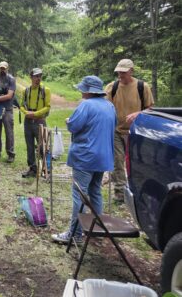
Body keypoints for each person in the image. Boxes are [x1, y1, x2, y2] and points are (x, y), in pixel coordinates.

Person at [52, 76, 116, 244]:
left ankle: (75, 234)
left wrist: (68, 121)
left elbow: (73, 126)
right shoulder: (110, 106)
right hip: (103, 157)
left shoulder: (86, 105)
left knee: (79, 194)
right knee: (95, 191)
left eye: (82, 89)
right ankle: (97, 230)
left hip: (85, 157)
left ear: (89, 91)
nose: (80, 92)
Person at [105, 59, 154, 203]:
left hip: (136, 132)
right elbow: (104, 106)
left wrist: (138, 114)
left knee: (135, 162)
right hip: (116, 131)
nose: (120, 75)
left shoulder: (142, 87)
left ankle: (138, 193)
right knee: (118, 162)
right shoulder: (112, 87)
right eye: (119, 72)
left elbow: (150, 108)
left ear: (131, 71)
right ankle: (120, 194)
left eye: (124, 72)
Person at [20, 68, 51, 177]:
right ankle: (33, 169)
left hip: (40, 120)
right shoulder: (26, 91)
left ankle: (47, 169)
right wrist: (26, 112)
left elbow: (48, 106)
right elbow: (21, 105)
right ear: (31, 77)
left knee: (43, 145)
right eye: (36, 76)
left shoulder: (45, 90)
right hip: (28, 120)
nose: (38, 79)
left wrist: (36, 114)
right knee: (29, 146)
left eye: (40, 76)